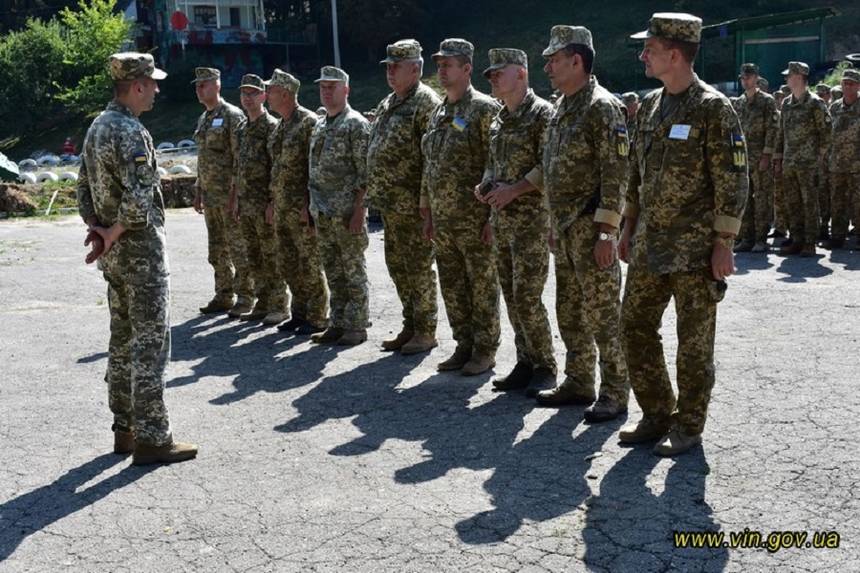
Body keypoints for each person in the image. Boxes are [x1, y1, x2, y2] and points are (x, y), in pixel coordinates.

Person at [619, 13, 748, 456]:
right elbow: (636, 174)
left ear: (674, 54)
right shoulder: (652, 106)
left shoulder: (712, 107)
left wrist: (723, 244)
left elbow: (734, 179)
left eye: (649, 49)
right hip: (649, 247)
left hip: (694, 252)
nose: (642, 56)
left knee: (693, 345)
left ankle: (689, 425)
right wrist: (627, 227)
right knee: (633, 326)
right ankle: (657, 412)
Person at [76, 52, 197, 465]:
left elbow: (82, 187)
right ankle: (152, 437)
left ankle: (124, 429)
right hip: (141, 254)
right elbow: (140, 199)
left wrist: (97, 228)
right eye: (153, 83)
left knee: (122, 340)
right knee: (149, 345)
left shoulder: (96, 128)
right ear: (138, 85)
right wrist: (111, 231)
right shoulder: (129, 131)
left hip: (115, 258)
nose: (158, 91)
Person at [532, 26, 630, 423]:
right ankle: (579, 380)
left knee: (603, 313)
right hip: (566, 227)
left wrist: (607, 232)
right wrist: (555, 223)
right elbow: (555, 169)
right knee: (570, 310)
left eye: (555, 60)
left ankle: (615, 390)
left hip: (593, 229)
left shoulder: (602, 107)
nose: (548, 67)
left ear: (578, 61)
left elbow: (617, 174)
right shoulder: (562, 107)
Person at [421, 38, 502, 375]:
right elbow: (430, 164)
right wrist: (427, 211)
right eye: (438, 64)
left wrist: (491, 218)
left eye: (448, 64)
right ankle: (463, 345)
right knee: (452, 286)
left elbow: (497, 164)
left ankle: (484, 350)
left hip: (474, 219)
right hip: (444, 220)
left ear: (467, 69)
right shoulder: (440, 111)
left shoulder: (484, 109)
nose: (441, 69)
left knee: (482, 286)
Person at [476, 47, 556, 392]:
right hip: (504, 220)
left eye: (499, 73)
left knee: (527, 295)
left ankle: (545, 364)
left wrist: (516, 190)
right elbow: (494, 163)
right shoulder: (499, 119)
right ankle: (525, 361)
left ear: (521, 73)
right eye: (490, 75)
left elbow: (548, 165)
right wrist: (487, 185)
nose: (493, 78)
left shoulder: (542, 114)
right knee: (510, 293)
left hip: (532, 222)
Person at [366, 39, 441, 355]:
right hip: (391, 207)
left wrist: (427, 207)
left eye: (396, 67)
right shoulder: (390, 102)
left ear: (416, 68)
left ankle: (425, 330)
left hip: (414, 206)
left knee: (419, 268)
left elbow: (431, 159)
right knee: (398, 267)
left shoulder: (426, 103)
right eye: (388, 67)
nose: (390, 72)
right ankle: (410, 325)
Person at [307, 66, 371, 346]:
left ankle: (356, 326)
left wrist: (359, 210)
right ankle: (339, 322)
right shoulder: (321, 123)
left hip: (346, 213)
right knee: (333, 269)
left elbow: (365, 173)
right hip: (322, 211)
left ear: (346, 90)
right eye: (323, 87)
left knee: (352, 270)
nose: (326, 91)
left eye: (332, 87)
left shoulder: (355, 124)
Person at [265, 69, 330, 336]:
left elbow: (315, 168)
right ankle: (299, 312)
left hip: (301, 207)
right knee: (288, 262)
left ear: (285, 93)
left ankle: (317, 316)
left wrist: (308, 204)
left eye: (270, 90)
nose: (266, 95)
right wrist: (271, 200)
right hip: (281, 206)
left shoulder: (309, 122)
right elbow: (277, 168)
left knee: (310, 262)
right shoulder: (281, 124)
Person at [192, 67, 250, 315]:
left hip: (228, 196)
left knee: (237, 247)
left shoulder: (232, 115)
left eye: (204, 84)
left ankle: (247, 296)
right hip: (210, 196)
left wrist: (236, 195)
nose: (200, 89)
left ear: (217, 85)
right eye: (197, 85)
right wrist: (198, 190)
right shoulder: (204, 118)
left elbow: (240, 158)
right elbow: (203, 158)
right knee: (216, 249)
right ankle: (223, 294)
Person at [233, 74, 281, 323]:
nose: (248, 98)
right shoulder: (242, 129)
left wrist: (273, 202)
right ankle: (262, 302)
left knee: (271, 255)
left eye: (253, 93)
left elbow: (276, 167)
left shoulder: (271, 126)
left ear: (263, 95)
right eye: (244, 93)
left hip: (264, 204)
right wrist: (236, 200)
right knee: (254, 255)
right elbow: (238, 167)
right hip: (246, 203)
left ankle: (279, 304)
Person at [774, 61, 831, 257]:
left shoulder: (815, 103)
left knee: (809, 203)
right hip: (790, 162)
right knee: (792, 202)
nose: (787, 79)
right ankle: (796, 239)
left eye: (789, 76)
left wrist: (820, 158)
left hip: (808, 164)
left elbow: (826, 133)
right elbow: (781, 133)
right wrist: (778, 158)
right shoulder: (786, 104)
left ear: (799, 77)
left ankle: (809, 242)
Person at [732, 63, 778, 253]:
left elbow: (773, 129)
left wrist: (767, 154)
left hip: (760, 157)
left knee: (761, 198)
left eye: (749, 77)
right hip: (743, 158)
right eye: (743, 77)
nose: (745, 80)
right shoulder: (739, 102)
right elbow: (735, 131)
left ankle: (760, 238)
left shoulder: (767, 101)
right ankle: (746, 237)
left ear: (756, 78)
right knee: (745, 199)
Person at [822, 68, 860, 250]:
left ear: (858, 86)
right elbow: (827, 133)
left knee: (858, 201)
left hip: (857, 164)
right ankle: (837, 236)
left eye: (851, 83)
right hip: (836, 164)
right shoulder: (835, 107)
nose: (847, 86)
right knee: (837, 201)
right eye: (845, 83)